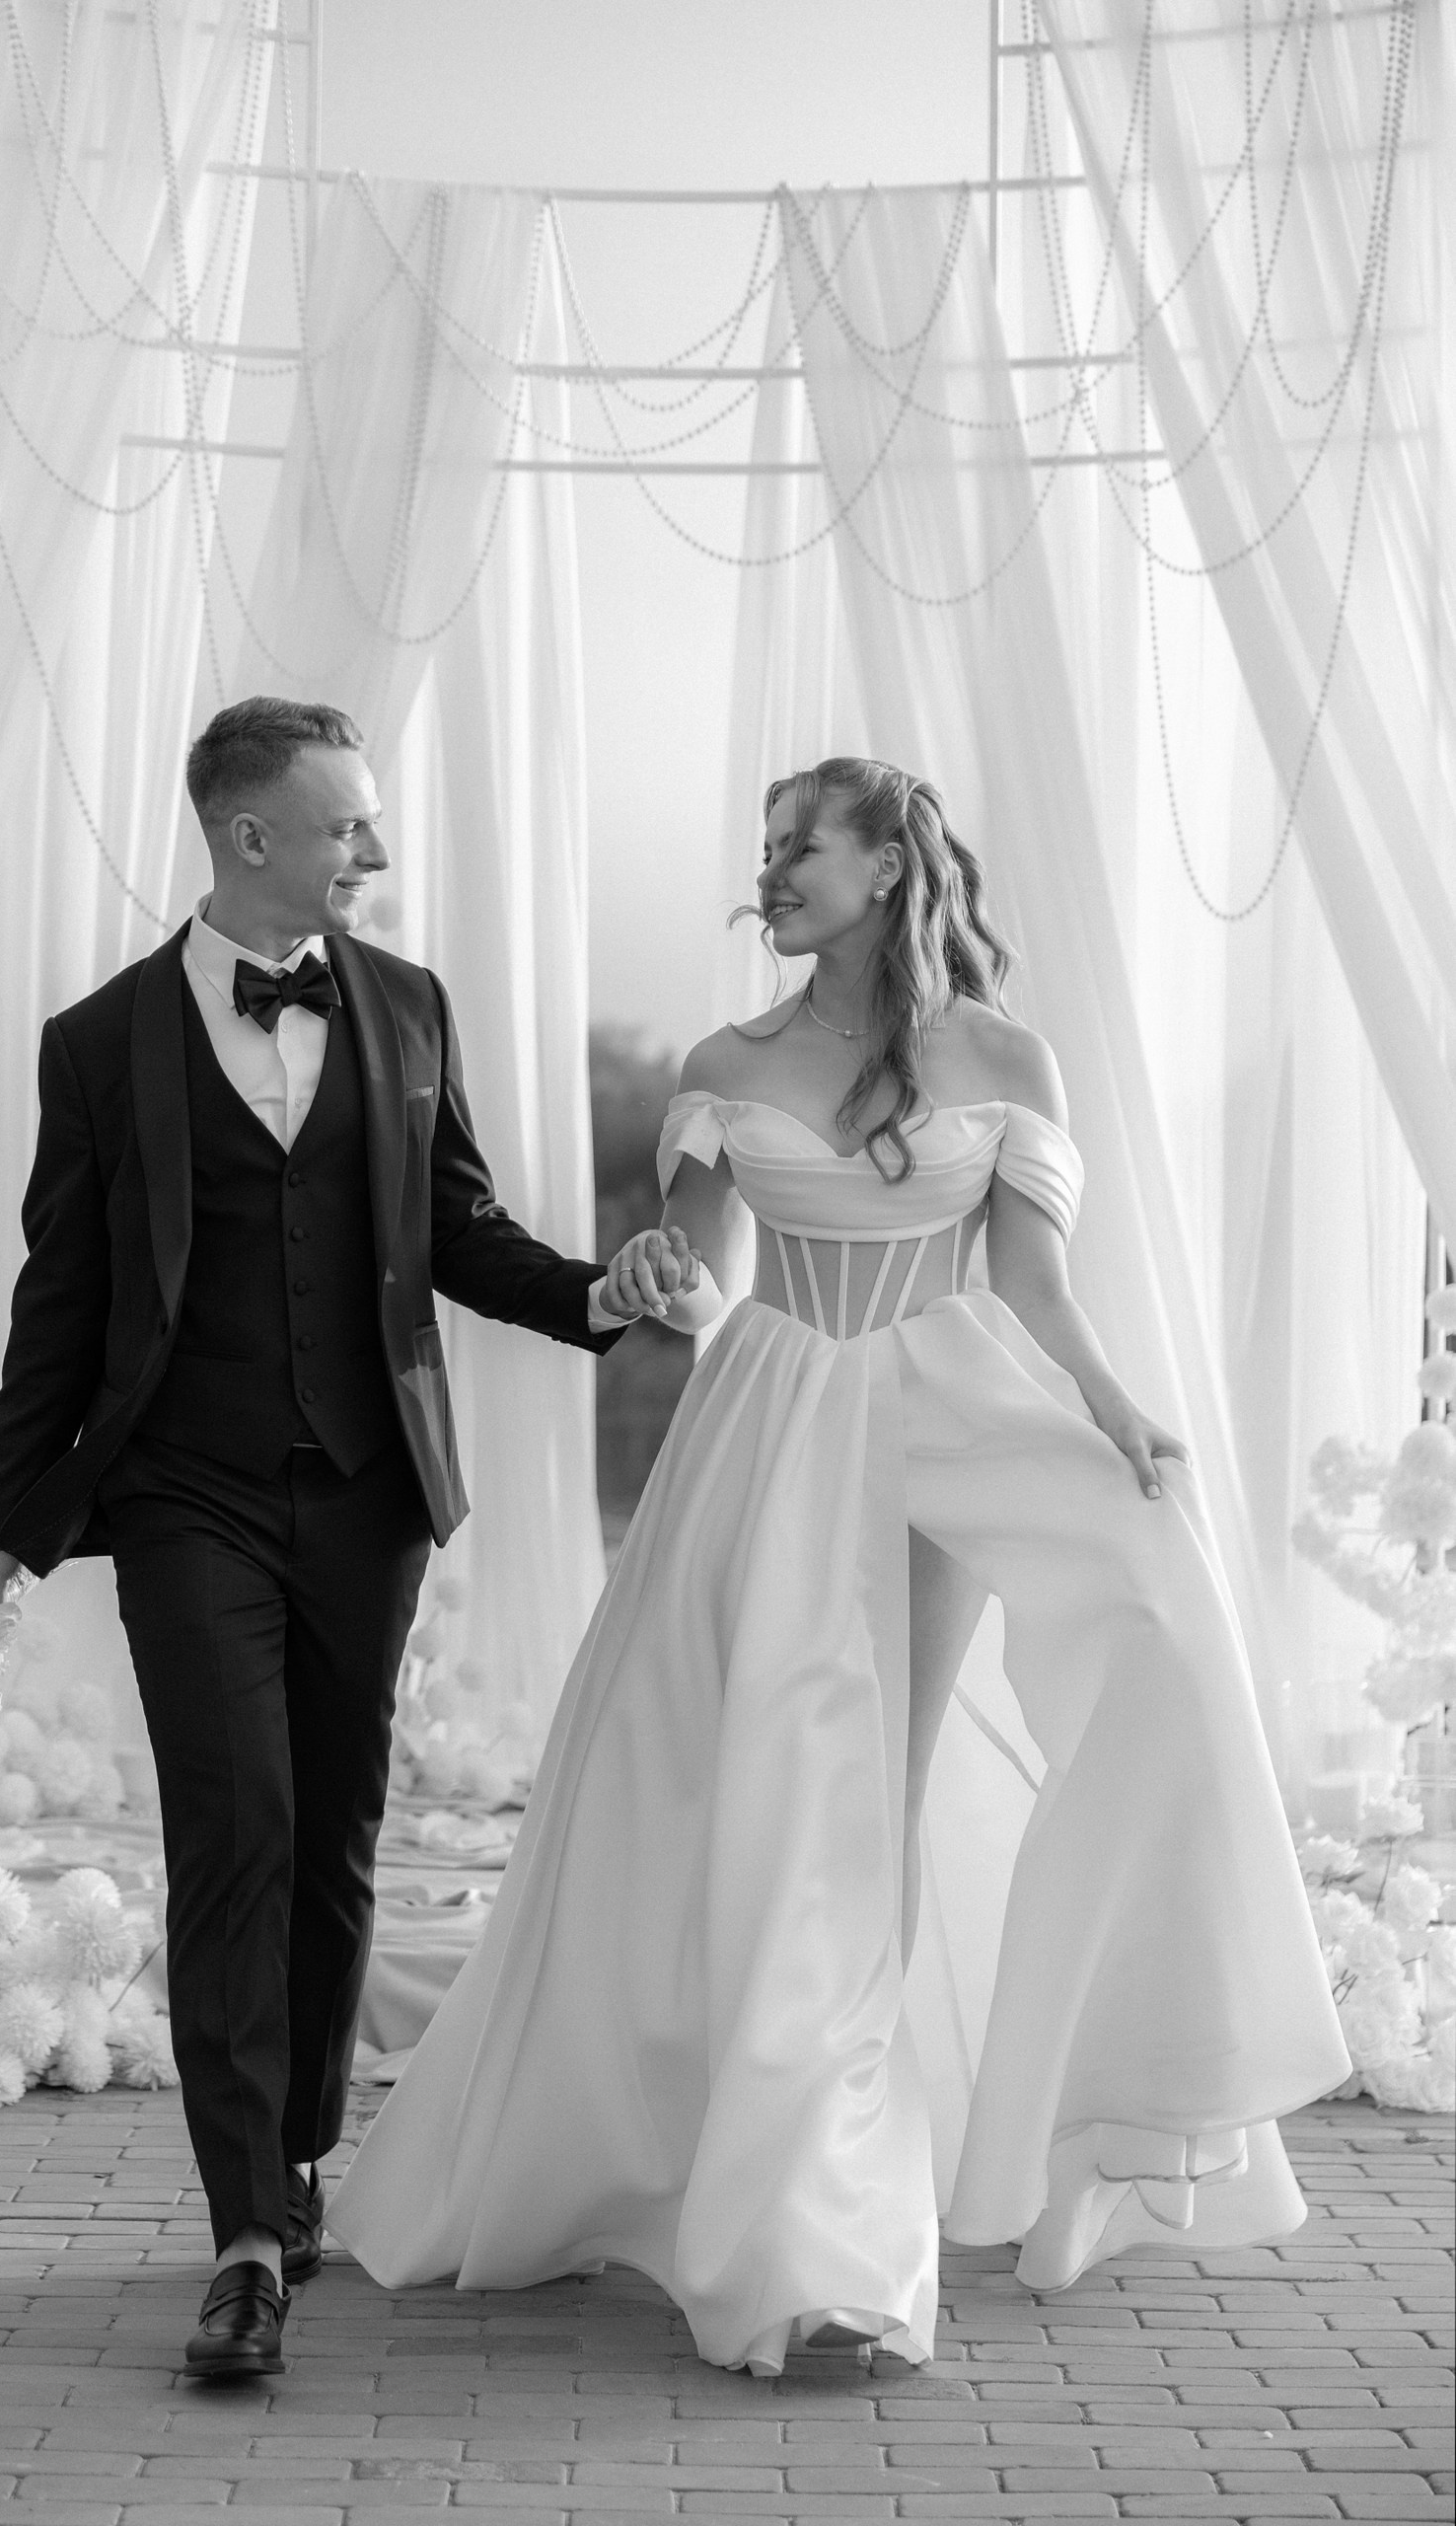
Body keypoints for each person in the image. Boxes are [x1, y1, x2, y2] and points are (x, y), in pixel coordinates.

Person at [328, 754, 1349, 2376]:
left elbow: (1034, 1285)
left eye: (803, 843)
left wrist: (1115, 1409)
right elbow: (707, 1274)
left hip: (943, 1424)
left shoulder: (1004, 1057)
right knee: (778, 1797)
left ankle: (865, 2195)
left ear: (887, 867)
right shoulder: (727, 1063)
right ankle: (802, 2230)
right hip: (772, 1428)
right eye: (766, 845)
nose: (774, 869)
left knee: (889, 1792)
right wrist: (658, 1271)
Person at [0, 696, 667, 2381]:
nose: (375, 850)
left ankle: (293, 2159)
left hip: (368, 1491)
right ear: (251, 834)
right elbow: (63, 1288)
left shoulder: (407, 1005)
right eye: (349, 823)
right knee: (237, 1827)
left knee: (336, 1830)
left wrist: (599, 1297)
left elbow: (458, 1227)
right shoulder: (98, 1042)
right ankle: (243, 2237)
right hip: (183, 1492)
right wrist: (3, 1529)